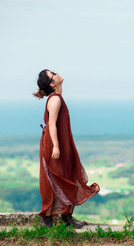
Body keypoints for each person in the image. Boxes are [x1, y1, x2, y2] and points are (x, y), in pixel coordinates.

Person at [32, 69, 100, 228]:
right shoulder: (55, 100)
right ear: (53, 83)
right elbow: (52, 125)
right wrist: (56, 146)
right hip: (55, 144)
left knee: (67, 176)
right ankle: (50, 219)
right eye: (52, 74)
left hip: (62, 143)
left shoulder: (57, 98)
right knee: (56, 178)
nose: (56, 73)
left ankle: (66, 216)